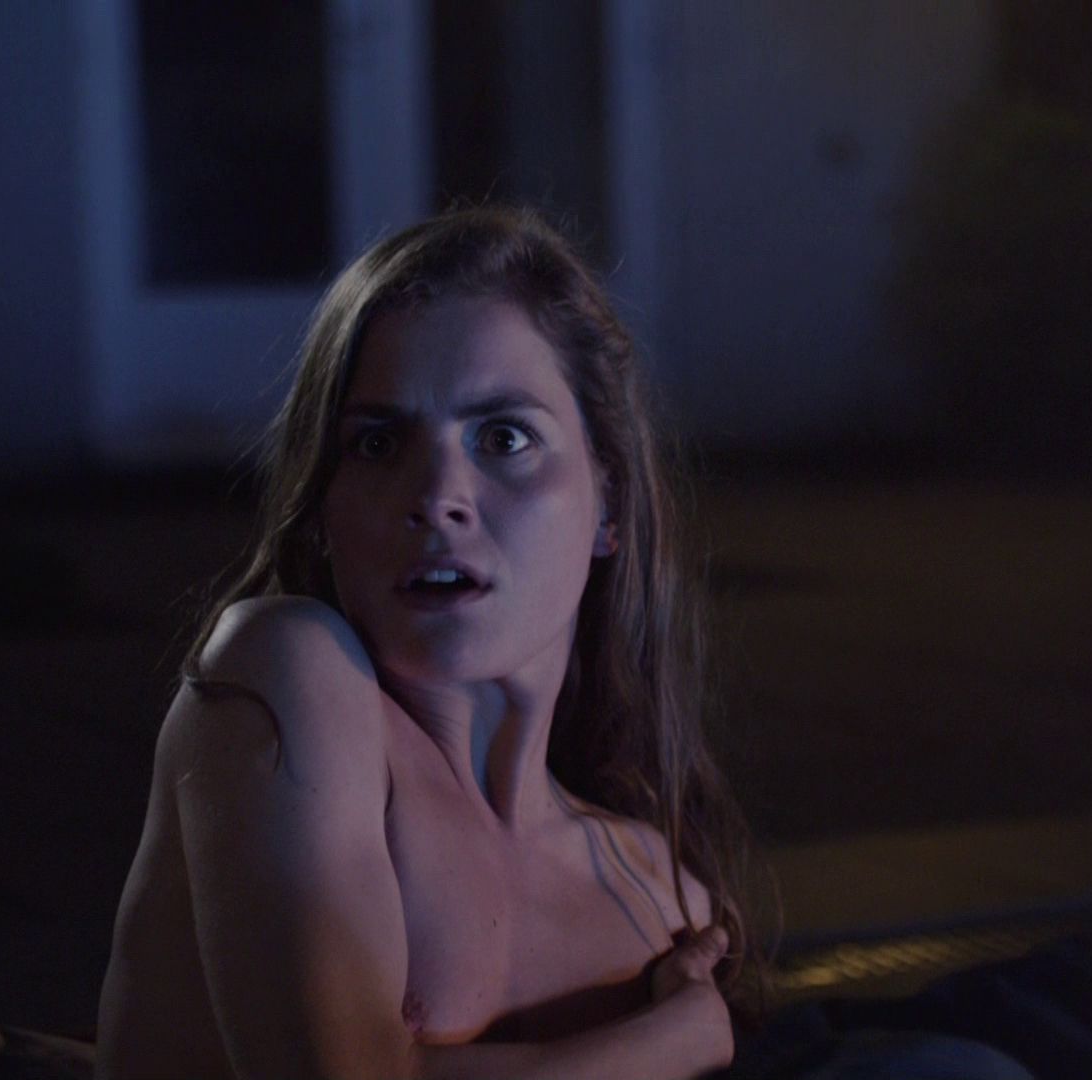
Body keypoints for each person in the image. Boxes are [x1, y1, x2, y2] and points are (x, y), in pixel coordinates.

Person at [94, 206, 769, 1079]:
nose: (437, 495)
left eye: (504, 437)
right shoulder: (282, 675)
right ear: (324, 509)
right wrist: (675, 1038)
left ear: (610, 502)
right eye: (378, 444)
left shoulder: (663, 895)